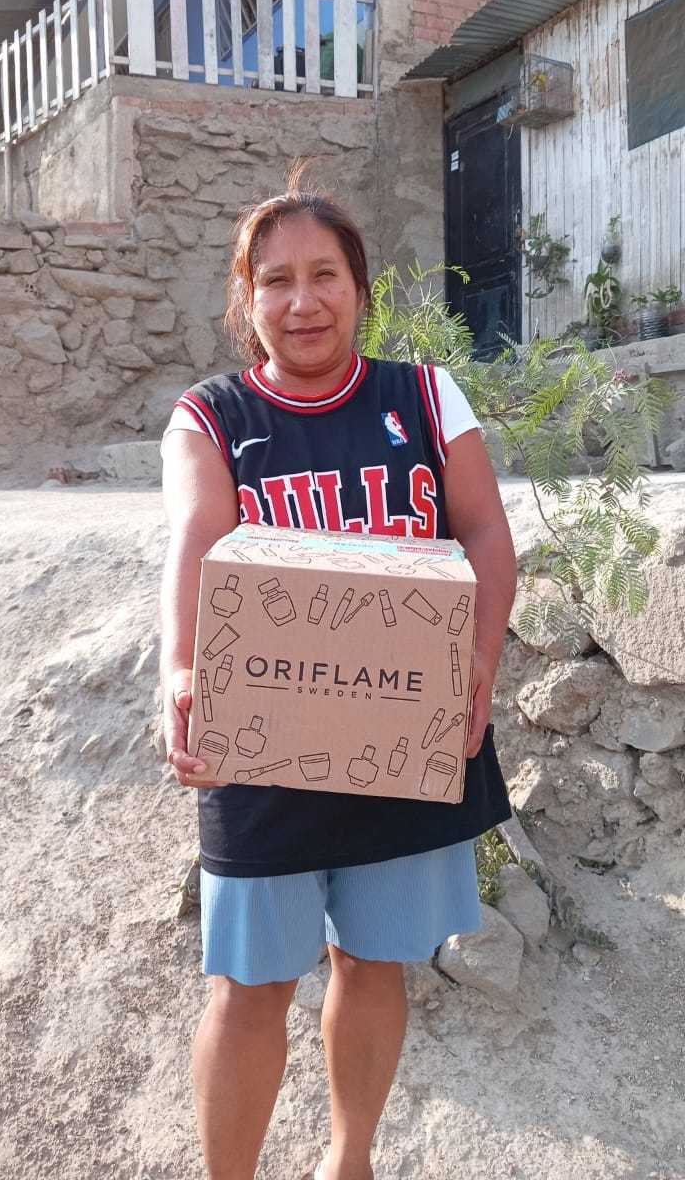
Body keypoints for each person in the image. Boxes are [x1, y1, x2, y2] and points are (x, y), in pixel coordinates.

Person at [159, 178, 517, 1180]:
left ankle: (348, 1160)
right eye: (276, 280)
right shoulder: (211, 415)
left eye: (325, 275)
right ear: (247, 297)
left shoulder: (426, 397)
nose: (303, 300)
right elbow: (195, 540)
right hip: (260, 745)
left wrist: (479, 657)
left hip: (400, 734)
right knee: (249, 983)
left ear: (360, 288)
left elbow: (486, 531)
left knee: (371, 958)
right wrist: (179, 670)